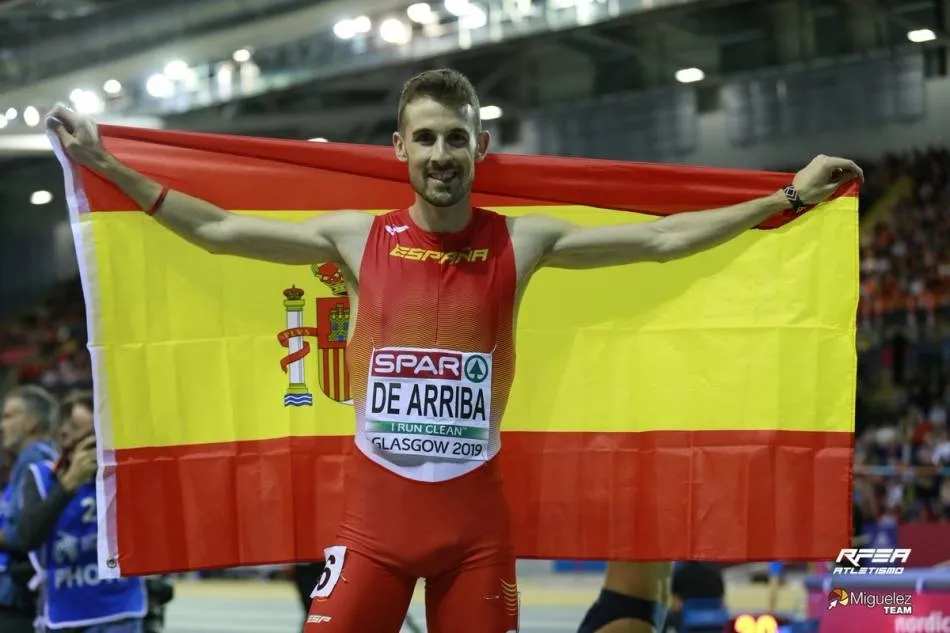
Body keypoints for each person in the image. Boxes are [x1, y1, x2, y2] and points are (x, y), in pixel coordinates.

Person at [46, 67, 863, 633]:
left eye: (456, 139)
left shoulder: (523, 239)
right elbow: (220, 231)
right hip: (372, 524)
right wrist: (104, 162)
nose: (442, 154)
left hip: (475, 528)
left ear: (479, 146)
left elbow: (661, 242)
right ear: (400, 149)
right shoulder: (355, 236)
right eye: (426, 138)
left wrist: (788, 196)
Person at [18, 390, 147, 632]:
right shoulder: (40, 476)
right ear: (64, 436)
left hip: (119, 611)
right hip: (65, 614)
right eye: (90, 435)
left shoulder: (125, 472)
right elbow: (28, 536)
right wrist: (68, 484)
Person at [0, 385, 60, 633]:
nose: (2, 425)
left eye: (9, 416)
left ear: (31, 421)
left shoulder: (36, 463)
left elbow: (27, 532)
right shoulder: (28, 461)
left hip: (20, 600)